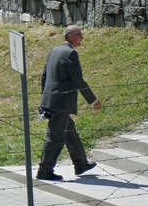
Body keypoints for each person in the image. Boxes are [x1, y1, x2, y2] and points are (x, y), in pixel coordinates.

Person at [37, 25, 102, 181]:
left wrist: (45, 99)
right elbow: (78, 80)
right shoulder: (71, 53)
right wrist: (93, 100)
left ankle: (81, 164)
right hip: (61, 103)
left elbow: (44, 76)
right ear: (70, 36)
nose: (82, 38)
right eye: (79, 34)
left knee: (69, 132)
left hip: (51, 100)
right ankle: (45, 170)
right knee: (55, 137)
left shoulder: (55, 50)